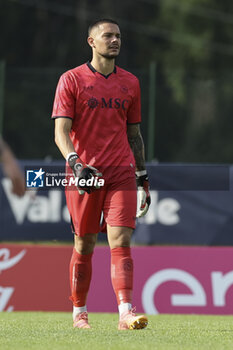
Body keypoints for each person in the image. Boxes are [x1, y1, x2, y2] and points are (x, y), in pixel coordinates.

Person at [52, 19, 151, 330]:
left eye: (118, 36)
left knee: (120, 239)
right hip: (85, 174)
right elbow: (61, 132)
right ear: (91, 41)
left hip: (122, 171)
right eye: (107, 36)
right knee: (84, 245)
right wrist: (76, 164)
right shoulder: (71, 80)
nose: (114, 41)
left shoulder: (131, 83)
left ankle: (125, 313)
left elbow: (134, 134)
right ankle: (79, 313)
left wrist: (142, 177)